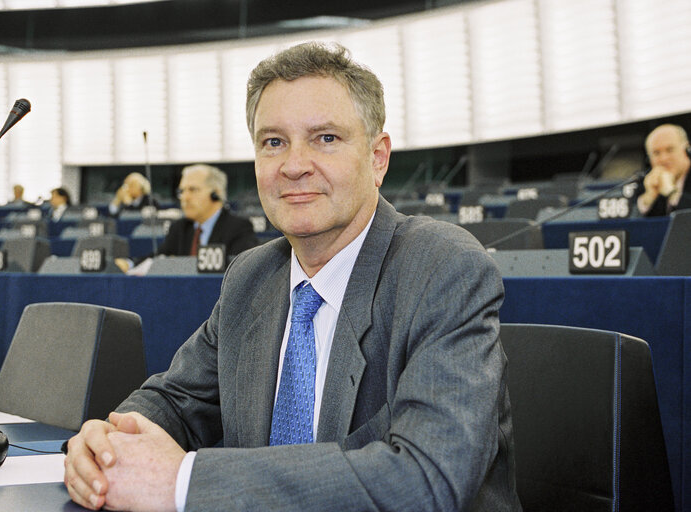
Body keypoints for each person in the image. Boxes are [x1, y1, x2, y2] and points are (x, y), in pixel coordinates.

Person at [64, 42, 520, 512]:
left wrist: (185, 482)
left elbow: (427, 480)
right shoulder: (251, 276)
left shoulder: (442, 269)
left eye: (326, 138)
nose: (294, 165)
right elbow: (177, 400)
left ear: (378, 158)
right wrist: (110, 441)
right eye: (273, 142)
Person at [114, 164, 258, 273]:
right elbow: (157, 257)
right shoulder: (180, 227)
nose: (185, 197)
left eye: (192, 190)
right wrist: (130, 264)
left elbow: (244, 271)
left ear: (216, 194)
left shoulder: (239, 227)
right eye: (182, 191)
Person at [636, 124, 691, 216]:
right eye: (656, 153)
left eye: (670, 150)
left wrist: (673, 194)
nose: (663, 159)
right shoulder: (644, 181)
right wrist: (649, 197)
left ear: (686, 149)